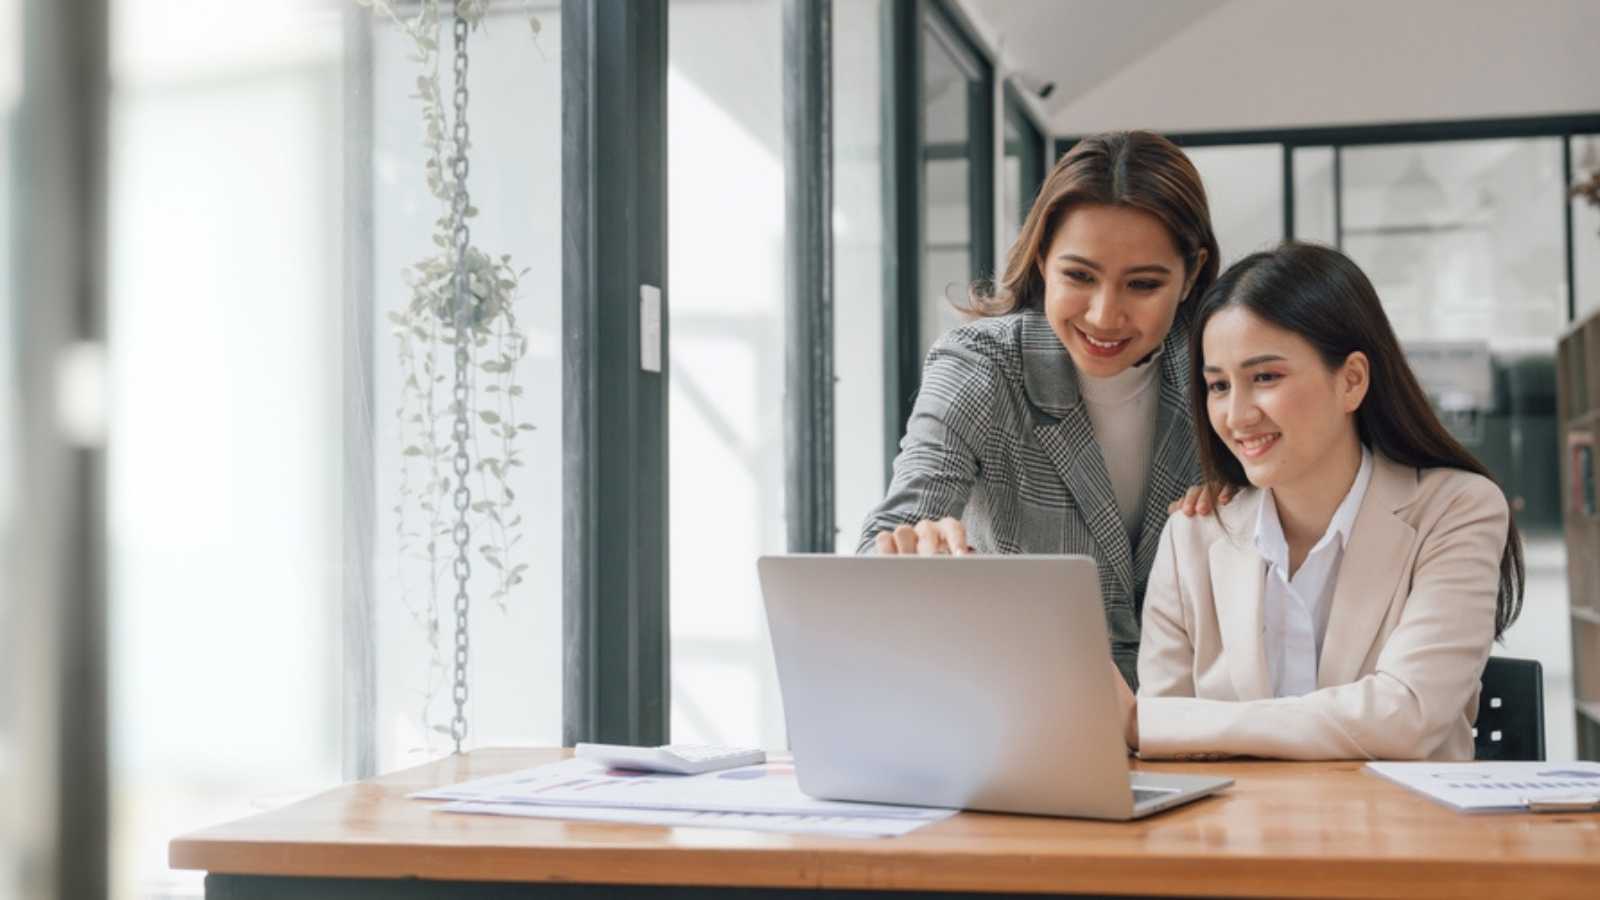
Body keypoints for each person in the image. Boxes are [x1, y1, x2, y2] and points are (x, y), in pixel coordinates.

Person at [1117, 241, 1525, 761]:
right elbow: (1165, 748)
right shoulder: (1192, 535)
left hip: (1408, 836)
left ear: (1351, 380)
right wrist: (1165, 728)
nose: (1237, 415)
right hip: (1235, 838)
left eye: (1265, 377)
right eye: (1218, 385)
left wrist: (1182, 725)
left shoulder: (1456, 510)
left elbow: (1406, 718)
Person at [857, 130, 1220, 687]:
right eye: (1079, 276)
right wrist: (909, 551)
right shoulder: (981, 366)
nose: (1104, 316)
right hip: (1024, 706)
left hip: (1198, 716)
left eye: (1143, 285)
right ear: (1043, 256)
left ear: (1191, 274)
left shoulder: (1220, 367)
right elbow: (888, 535)